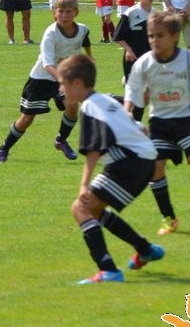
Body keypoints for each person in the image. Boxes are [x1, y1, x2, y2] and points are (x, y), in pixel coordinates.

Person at [58, 54, 165, 284]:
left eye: (62, 84)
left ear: (77, 83)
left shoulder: (89, 107)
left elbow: (94, 150)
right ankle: (145, 249)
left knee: (81, 208)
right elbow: (139, 127)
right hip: (144, 161)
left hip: (129, 163)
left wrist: (84, 185)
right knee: (95, 209)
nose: (61, 89)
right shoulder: (105, 100)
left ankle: (108, 271)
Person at [124, 11, 190, 236]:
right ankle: (168, 217)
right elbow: (132, 90)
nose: (154, 40)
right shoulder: (144, 63)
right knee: (155, 167)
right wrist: (127, 112)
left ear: (175, 36)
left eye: (160, 36)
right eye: (151, 36)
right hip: (160, 121)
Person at [0, 0, 91, 164]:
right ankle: (3, 148)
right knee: (27, 119)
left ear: (76, 12)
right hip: (41, 79)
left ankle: (61, 140)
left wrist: (89, 58)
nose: (64, 15)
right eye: (60, 11)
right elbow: (47, 64)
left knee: (72, 105)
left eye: (68, 11)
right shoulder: (50, 34)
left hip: (63, 78)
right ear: (54, 12)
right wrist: (63, 81)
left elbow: (84, 41)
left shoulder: (82, 29)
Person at [112, 0, 158, 122]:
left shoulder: (156, 15)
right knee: (139, 98)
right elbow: (118, 36)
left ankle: (114, 101)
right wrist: (129, 50)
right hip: (133, 61)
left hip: (150, 62)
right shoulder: (131, 13)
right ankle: (135, 125)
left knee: (144, 98)